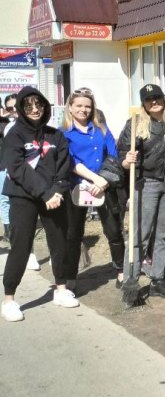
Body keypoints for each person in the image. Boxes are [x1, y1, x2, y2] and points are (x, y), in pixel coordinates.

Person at [2, 87, 75, 322]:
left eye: (39, 105)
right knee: (21, 246)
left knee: (59, 243)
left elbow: (64, 166)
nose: (34, 109)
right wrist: (44, 193)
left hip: (53, 198)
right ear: (22, 109)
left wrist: (55, 192)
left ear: (45, 107)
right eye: (28, 106)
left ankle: (61, 289)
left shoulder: (56, 135)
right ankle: (9, 299)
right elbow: (17, 168)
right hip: (24, 198)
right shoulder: (14, 135)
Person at [117, 84, 165, 299]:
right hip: (146, 183)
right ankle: (130, 280)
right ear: (143, 103)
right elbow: (122, 153)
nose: (155, 102)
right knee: (139, 234)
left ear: (164, 99)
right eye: (149, 99)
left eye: (158, 98)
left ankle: (158, 278)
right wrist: (126, 160)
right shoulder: (135, 124)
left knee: (164, 234)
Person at [62, 88, 125, 291]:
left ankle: (121, 271)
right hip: (76, 187)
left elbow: (113, 156)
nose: (83, 109)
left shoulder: (102, 130)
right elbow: (69, 161)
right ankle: (70, 276)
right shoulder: (62, 133)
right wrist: (94, 179)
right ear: (70, 108)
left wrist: (104, 181)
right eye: (79, 105)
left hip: (104, 187)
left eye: (87, 106)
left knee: (113, 230)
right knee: (74, 233)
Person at [0, 94, 17, 246]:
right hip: (4, 166)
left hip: (5, 165)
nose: (14, 110)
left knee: (6, 198)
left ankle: (11, 231)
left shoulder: (6, 124)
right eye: (10, 108)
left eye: (15, 107)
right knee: (4, 199)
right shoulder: (8, 124)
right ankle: (8, 228)